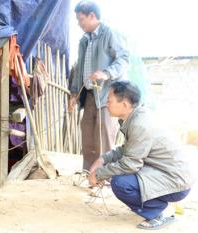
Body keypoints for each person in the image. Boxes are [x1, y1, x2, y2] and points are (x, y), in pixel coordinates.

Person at [88, 80, 194, 230]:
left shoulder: (139, 123)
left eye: (109, 100)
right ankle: (156, 205)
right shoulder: (137, 117)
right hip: (172, 177)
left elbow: (130, 164)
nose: (106, 104)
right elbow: (128, 150)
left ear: (124, 104)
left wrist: (98, 174)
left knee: (121, 183)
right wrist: (103, 158)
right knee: (123, 176)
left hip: (176, 182)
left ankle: (158, 213)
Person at [69, 1, 129, 171]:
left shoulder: (109, 33)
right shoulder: (83, 41)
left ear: (92, 16)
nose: (79, 24)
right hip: (89, 96)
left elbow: (124, 59)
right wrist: (74, 94)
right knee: (87, 136)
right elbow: (79, 69)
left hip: (106, 97)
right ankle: (88, 174)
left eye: (81, 19)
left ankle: (104, 177)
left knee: (104, 138)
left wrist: (106, 73)